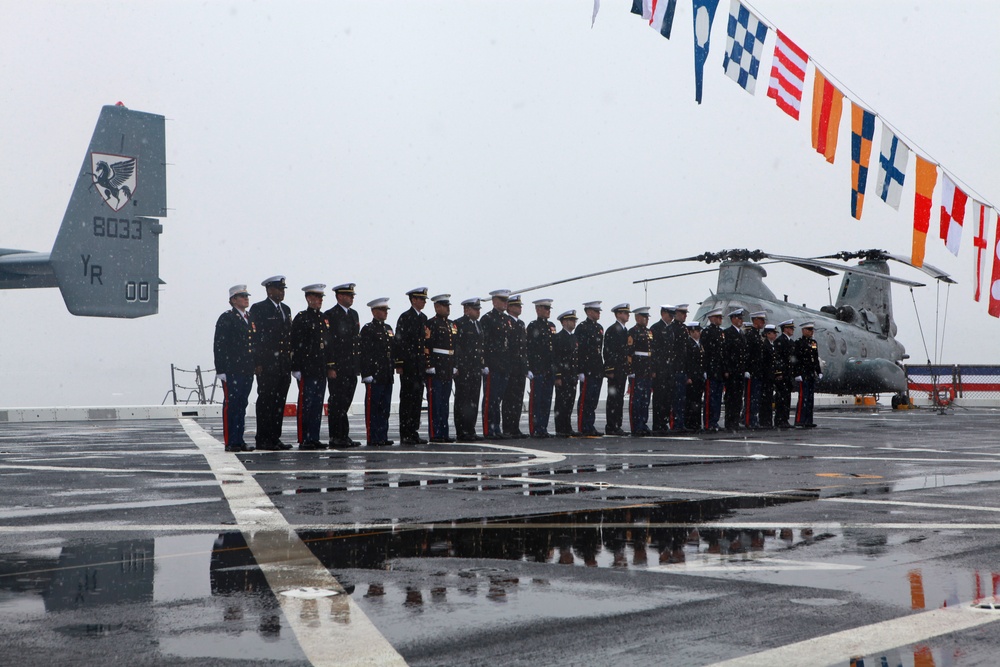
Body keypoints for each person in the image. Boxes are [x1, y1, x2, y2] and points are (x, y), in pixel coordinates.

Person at [248, 275, 293, 451]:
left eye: (283, 290)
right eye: (279, 289)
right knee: (266, 401)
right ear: (269, 290)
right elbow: (255, 338)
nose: (282, 292)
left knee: (279, 402)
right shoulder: (259, 309)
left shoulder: (286, 309)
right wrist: (257, 362)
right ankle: (263, 438)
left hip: (283, 364)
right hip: (267, 364)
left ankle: (275, 437)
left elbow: (289, 337)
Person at [291, 284, 335, 450]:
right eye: (317, 298)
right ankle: (304, 438)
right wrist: (296, 368)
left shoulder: (323, 319)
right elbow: (295, 344)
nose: (319, 301)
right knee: (306, 405)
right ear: (308, 298)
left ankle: (314, 437)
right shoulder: (301, 318)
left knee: (317, 405)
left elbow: (328, 344)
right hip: (307, 369)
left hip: (320, 369)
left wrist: (330, 366)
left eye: (321, 298)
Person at [214, 284, 255, 452]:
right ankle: (231, 441)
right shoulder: (227, 318)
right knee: (232, 405)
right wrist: (221, 369)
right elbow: (219, 345)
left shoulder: (249, 317)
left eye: (246, 295)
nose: (246, 298)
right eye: (242, 296)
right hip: (232, 369)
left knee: (242, 405)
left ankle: (239, 439)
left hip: (246, 369)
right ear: (233, 300)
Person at [325, 283, 361, 448]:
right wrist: (331, 366)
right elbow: (329, 342)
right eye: (349, 295)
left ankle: (343, 435)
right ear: (339, 296)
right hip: (338, 366)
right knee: (337, 402)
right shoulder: (331, 315)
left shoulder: (353, 314)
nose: (352, 298)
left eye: (352, 295)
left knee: (345, 402)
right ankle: (335, 436)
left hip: (350, 366)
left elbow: (355, 342)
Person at [395, 287, 429, 445]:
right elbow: (400, 342)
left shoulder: (424, 318)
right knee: (407, 400)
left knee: (416, 401)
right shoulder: (405, 317)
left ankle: (413, 431)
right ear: (413, 300)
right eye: (421, 299)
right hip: (409, 365)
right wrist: (400, 363)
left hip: (419, 365)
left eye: (424, 299)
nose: (423, 302)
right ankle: (405, 432)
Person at [359, 297, 395, 446]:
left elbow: (392, 351)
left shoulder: (388, 329)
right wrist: (366, 373)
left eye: (386, 310)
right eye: (382, 310)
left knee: (384, 408)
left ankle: (382, 435)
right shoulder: (368, 329)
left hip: (386, 374)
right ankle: (373, 436)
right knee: (373, 408)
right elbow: (365, 353)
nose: (385, 313)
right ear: (374, 312)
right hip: (374, 374)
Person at [481, 289, 514, 439]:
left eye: (506, 300)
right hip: (493, 365)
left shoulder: (506, 320)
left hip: (504, 365)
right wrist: (486, 363)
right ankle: (489, 429)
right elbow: (484, 344)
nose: (505, 303)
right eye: (502, 300)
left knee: (498, 399)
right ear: (494, 301)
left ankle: (497, 428)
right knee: (490, 399)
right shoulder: (487, 319)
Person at [424, 294, 456, 443]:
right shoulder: (431, 324)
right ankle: (435, 433)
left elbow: (454, 347)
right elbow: (427, 346)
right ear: (437, 307)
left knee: (444, 403)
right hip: (436, 367)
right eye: (444, 306)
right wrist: (429, 365)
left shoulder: (451, 324)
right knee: (435, 403)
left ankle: (444, 432)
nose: (448, 308)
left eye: (448, 306)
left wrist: (454, 365)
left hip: (447, 367)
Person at [454, 297, 486, 441]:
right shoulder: (459, 324)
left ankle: (470, 429)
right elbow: (457, 347)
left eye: (479, 309)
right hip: (464, 369)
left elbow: (480, 347)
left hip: (475, 369)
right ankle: (462, 431)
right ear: (466, 310)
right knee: (463, 400)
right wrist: (458, 366)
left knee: (473, 400)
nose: (478, 312)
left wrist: (481, 364)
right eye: (475, 309)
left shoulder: (478, 325)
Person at [526, 298, 557, 438]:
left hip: (549, 369)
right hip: (538, 369)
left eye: (549, 308)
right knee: (536, 401)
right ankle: (535, 428)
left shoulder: (551, 326)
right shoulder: (533, 326)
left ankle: (543, 427)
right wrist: (530, 368)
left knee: (546, 400)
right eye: (545, 308)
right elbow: (529, 348)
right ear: (537, 309)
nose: (548, 311)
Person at [575, 301, 605, 437]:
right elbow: (580, 351)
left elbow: (600, 350)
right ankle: (583, 426)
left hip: (597, 368)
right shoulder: (582, 328)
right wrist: (580, 370)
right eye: (596, 311)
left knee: (593, 400)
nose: (598, 313)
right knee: (585, 400)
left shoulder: (599, 328)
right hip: (587, 369)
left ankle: (590, 424)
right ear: (588, 312)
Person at [502, 294, 529, 438]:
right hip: (510, 366)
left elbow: (524, 348)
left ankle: (515, 427)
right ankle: (508, 427)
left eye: (520, 306)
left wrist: (526, 367)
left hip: (520, 367)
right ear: (510, 307)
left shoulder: (521, 324)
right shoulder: (506, 322)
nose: (520, 308)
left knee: (518, 399)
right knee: (509, 399)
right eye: (517, 306)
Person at [604, 303, 631, 436]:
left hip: (622, 369)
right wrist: (609, 369)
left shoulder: (625, 330)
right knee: (613, 398)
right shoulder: (612, 330)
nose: (628, 315)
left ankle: (617, 425)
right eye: (625, 313)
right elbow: (608, 351)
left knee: (619, 398)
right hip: (615, 370)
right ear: (618, 314)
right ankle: (611, 425)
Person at [626, 306, 653, 436]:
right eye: (643, 317)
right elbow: (630, 353)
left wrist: (652, 369)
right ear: (637, 317)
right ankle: (636, 426)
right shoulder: (633, 332)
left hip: (647, 369)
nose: (646, 320)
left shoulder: (649, 332)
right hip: (638, 369)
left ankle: (643, 423)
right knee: (636, 400)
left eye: (647, 317)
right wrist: (631, 370)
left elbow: (651, 352)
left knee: (645, 399)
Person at [553, 309, 580, 437]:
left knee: (569, 402)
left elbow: (576, 357)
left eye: (575, 320)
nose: (574, 323)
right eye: (571, 320)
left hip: (572, 375)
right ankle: (560, 427)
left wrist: (577, 373)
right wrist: (558, 376)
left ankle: (567, 426)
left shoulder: (574, 337)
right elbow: (556, 358)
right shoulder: (558, 337)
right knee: (561, 403)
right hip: (563, 375)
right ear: (564, 322)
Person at [650, 305, 676, 435]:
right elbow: (653, 351)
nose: (671, 318)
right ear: (663, 314)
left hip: (668, 369)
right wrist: (654, 368)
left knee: (667, 398)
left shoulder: (671, 329)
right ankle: (658, 423)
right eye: (670, 315)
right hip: (660, 369)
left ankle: (664, 422)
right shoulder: (656, 328)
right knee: (659, 397)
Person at [722, 308, 748, 431]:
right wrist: (726, 369)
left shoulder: (741, 334)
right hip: (732, 371)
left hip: (739, 371)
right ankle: (729, 421)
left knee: (738, 397)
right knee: (731, 397)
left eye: (742, 318)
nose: (741, 320)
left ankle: (735, 421)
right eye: (739, 318)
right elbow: (726, 353)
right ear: (733, 319)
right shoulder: (728, 333)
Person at [793, 322, 821, 427]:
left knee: (810, 398)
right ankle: (800, 420)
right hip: (803, 373)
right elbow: (796, 360)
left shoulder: (813, 343)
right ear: (803, 331)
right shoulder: (799, 343)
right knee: (803, 398)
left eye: (812, 330)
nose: (811, 332)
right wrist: (797, 373)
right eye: (809, 330)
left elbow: (815, 357)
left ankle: (808, 420)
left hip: (810, 373)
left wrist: (818, 371)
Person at [701, 308, 725, 432]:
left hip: (719, 370)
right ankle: (708, 422)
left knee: (717, 398)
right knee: (710, 398)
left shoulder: (721, 333)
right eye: (718, 317)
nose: (720, 320)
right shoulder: (706, 333)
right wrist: (705, 369)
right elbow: (705, 353)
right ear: (711, 318)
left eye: (721, 317)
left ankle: (714, 421)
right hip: (711, 369)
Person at [668, 304, 690, 431]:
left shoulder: (684, 329)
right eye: (683, 313)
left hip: (682, 367)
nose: (685, 316)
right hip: (675, 368)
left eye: (686, 313)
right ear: (676, 314)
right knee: (675, 399)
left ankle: (680, 422)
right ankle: (675, 423)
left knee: (682, 399)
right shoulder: (673, 328)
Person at [744, 311, 767, 430]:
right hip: (752, 372)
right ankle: (748, 420)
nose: (763, 323)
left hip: (757, 371)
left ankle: (753, 419)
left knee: (755, 398)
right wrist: (747, 369)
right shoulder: (750, 335)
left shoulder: (757, 335)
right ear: (755, 320)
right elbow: (747, 354)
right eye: (761, 320)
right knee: (750, 398)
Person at [773, 319, 795, 429]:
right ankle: (779, 419)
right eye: (791, 328)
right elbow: (777, 358)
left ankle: (785, 419)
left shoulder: (791, 342)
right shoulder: (779, 341)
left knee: (787, 398)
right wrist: (779, 372)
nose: (792, 330)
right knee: (780, 398)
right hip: (782, 375)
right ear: (785, 329)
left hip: (788, 375)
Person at [683, 321, 705, 431]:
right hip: (692, 376)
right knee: (691, 401)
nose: (698, 333)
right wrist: (688, 376)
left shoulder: (699, 344)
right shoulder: (689, 344)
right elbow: (687, 362)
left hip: (699, 376)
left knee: (697, 400)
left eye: (698, 331)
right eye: (695, 331)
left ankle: (696, 423)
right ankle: (690, 423)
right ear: (691, 332)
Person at [760, 323, 779, 429]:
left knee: (769, 398)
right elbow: (764, 362)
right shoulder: (765, 345)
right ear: (768, 334)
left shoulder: (772, 345)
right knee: (765, 399)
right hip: (766, 376)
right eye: (773, 333)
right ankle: (764, 420)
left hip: (770, 376)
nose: (775, 335)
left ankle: (768, 420)